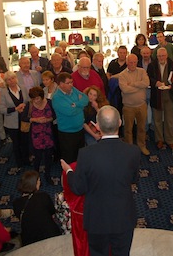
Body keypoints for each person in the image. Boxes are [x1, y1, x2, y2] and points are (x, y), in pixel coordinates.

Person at [61, 105, 140, 256]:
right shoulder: (133, 151)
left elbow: (78, 188)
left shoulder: (86, 154)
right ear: (120, 123)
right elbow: (134, 178)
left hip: (97, 218)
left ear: (96, 126)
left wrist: (69, 171)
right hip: (123, 216)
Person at [13, 170, 60, 247]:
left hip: (30, 240)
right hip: (51, 235)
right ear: (33, 184)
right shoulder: (43, 196)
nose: (39, 183)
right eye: (38, 181)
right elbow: (52, 211)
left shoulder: (16, 203)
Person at [52, 72, 89, 163]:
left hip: (79, 130)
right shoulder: (57, 97)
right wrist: (81, 106)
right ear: (61, 84)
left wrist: (76, 104)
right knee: (70, 159)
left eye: (72, 82)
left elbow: (86, 99)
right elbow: (70, 112)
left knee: (80, 157)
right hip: (67, 133)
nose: (71, 85)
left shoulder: (73, 90)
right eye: (68, 83)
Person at [117, 54, 151, 155]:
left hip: (141, 105)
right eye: (130, 62)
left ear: (137, 62)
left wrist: (132, 84)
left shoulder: (142, 71)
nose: (132, 64)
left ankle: (142, 145)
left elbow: (146, 83)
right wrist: (139, 86)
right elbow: (125, 90)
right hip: (128, 107)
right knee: (128, 129)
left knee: (142, 128)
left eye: (134, 62)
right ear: (127, 62)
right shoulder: (122, 75)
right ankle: (129, 149)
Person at [147, 47, 173, 150]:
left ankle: (170, 140)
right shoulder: (151, 65)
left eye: (163, 56)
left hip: (169, 95)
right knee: (157, 119)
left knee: (169, 119)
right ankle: (159, 140)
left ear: (167, 56)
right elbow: (148, 78)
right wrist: (155, 83)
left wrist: (172, 86)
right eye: (159, 56)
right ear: (156, 56)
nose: (161, 57)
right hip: (156, 96)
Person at [0, 71, 30, 167]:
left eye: (13, 78)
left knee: (25, 142)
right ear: (6, 81)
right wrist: (16, 109)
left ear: (16, 78)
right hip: (12, 123)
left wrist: (24, 106)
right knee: (16, 144)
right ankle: (19, 162)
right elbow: (2, 109)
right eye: (9, 79)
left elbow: (29, 102)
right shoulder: (4, 92)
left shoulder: (23, 88)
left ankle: (26, 160)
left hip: (24, 120)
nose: (11, 81)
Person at [24, 86, 55, 177]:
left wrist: (48, 120)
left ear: (42, 96)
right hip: (36, 135)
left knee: (48, 157)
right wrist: (35, 119)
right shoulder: (29, 104)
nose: (36, 101)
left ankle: (47, 175)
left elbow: (55, 115)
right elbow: (23, 118)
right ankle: (36, 177)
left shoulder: (49, 102)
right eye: (33, 99)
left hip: (48, 134)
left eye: (37, 98)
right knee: (37, 158)